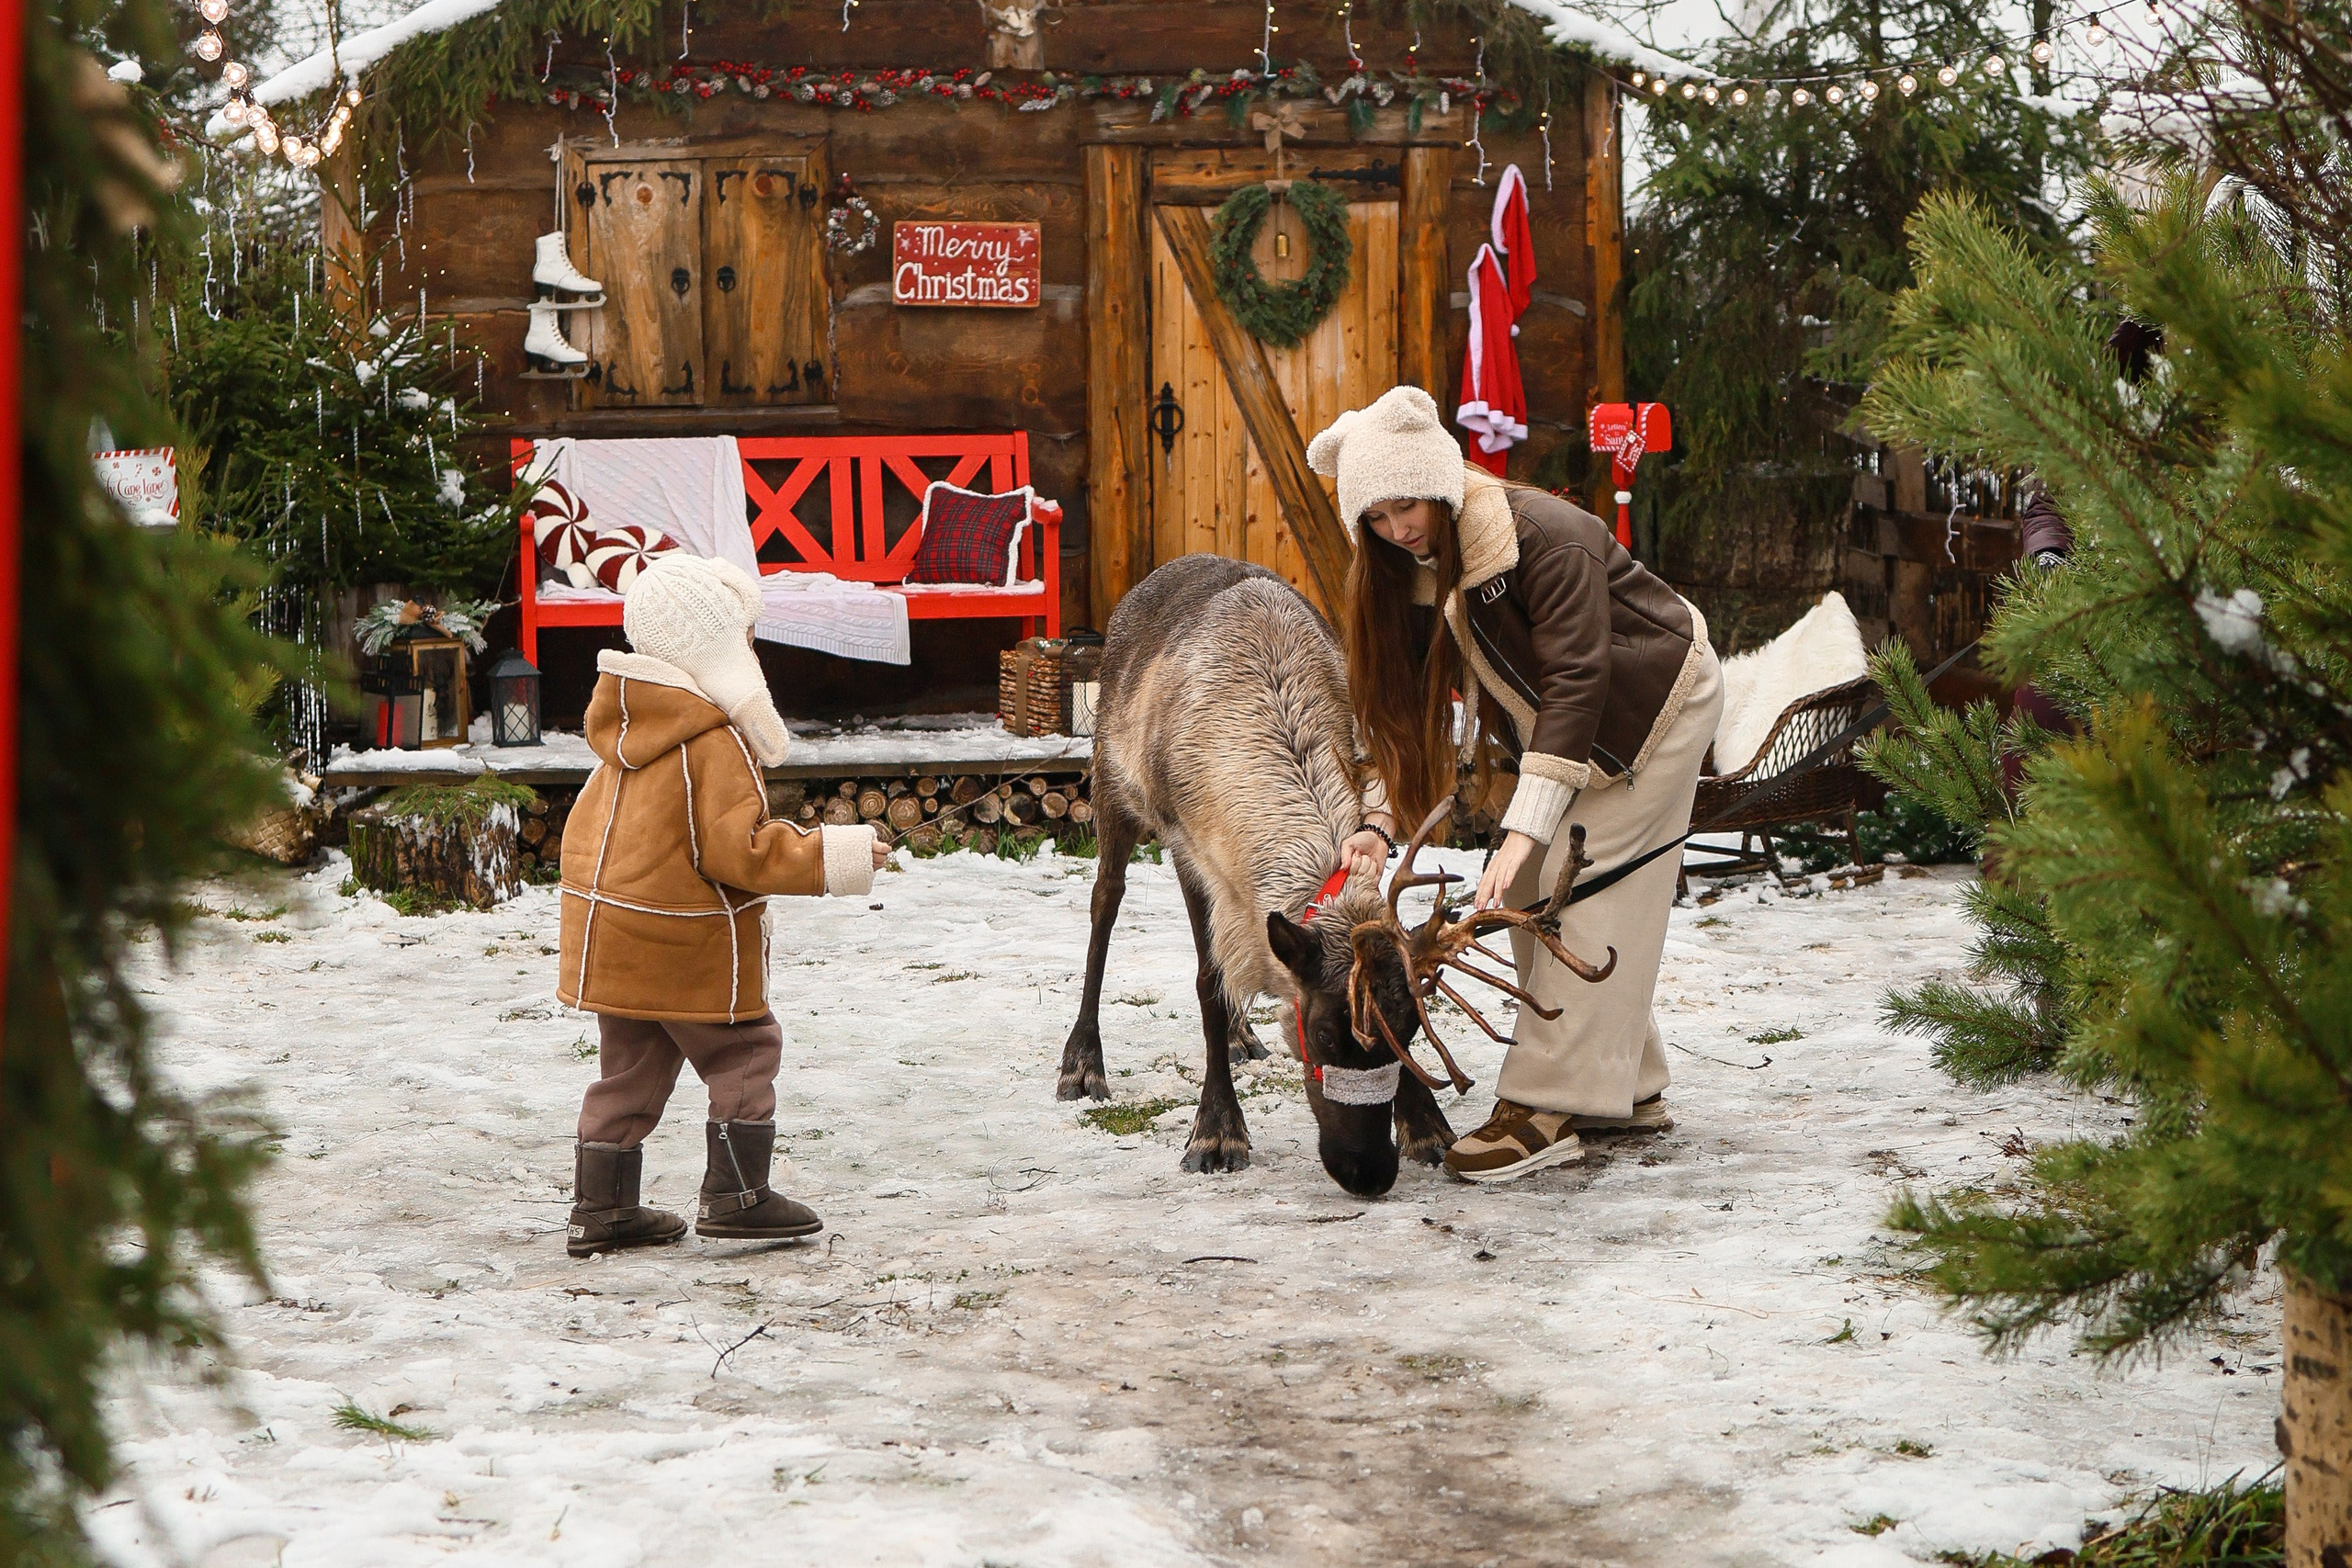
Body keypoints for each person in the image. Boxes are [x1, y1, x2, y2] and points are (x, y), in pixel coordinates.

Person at [1307, 385, 1724, 1184]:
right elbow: (1401, 717)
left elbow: (1577, 682)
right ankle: (1625, 1085)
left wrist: (1525, 827)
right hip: (1574, 727)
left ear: (1438, 479)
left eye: (1408, 507)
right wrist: (1377, 821)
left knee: (1589, 877)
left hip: (1656, 705)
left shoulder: (1544, 536)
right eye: (1378, 518)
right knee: (1529, 886)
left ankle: (1544, 1103)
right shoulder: (1404, 571)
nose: (1399, 529)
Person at [555, 555, 887, 1257]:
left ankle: (601, 1206)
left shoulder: (626, 730)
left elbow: (591, 833)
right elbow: (738, 850)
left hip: (614, 935)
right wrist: (838, 854)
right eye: (743, 636)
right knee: (744, 1050)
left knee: (632, 1068)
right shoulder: (709, 740)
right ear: (712, 648)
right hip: (683, 941)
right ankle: (738, 1196)